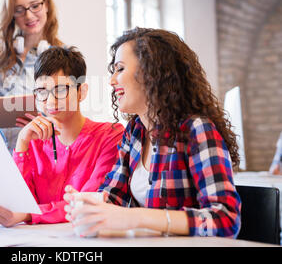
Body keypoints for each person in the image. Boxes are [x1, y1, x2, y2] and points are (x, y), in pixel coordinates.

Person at [64, 27, 242, 238]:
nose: (112, 81)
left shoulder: (196, 130)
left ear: (151, 73)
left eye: (120, 69)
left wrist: (138, 217)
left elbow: (226, 220)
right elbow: (113, 196)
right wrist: (88, 205)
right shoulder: (135, 132)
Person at [0, 46, 124, 226]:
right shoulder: (33, 140)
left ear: (82, 92)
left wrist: (28, 215)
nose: (50, 101)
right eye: (41, 91)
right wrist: (21, 143)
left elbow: (87, 204)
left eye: (61, 90)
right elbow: (17, 202)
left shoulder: (110, 136)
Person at [0, 0, 64, 153]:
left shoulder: (63, 57)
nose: (29, 16)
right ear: (11, 14)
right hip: (0, 155)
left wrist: (45, 119)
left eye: (35, 6)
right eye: (19, 9)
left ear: (46, 5)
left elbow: (69, 119)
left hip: (41, 156)